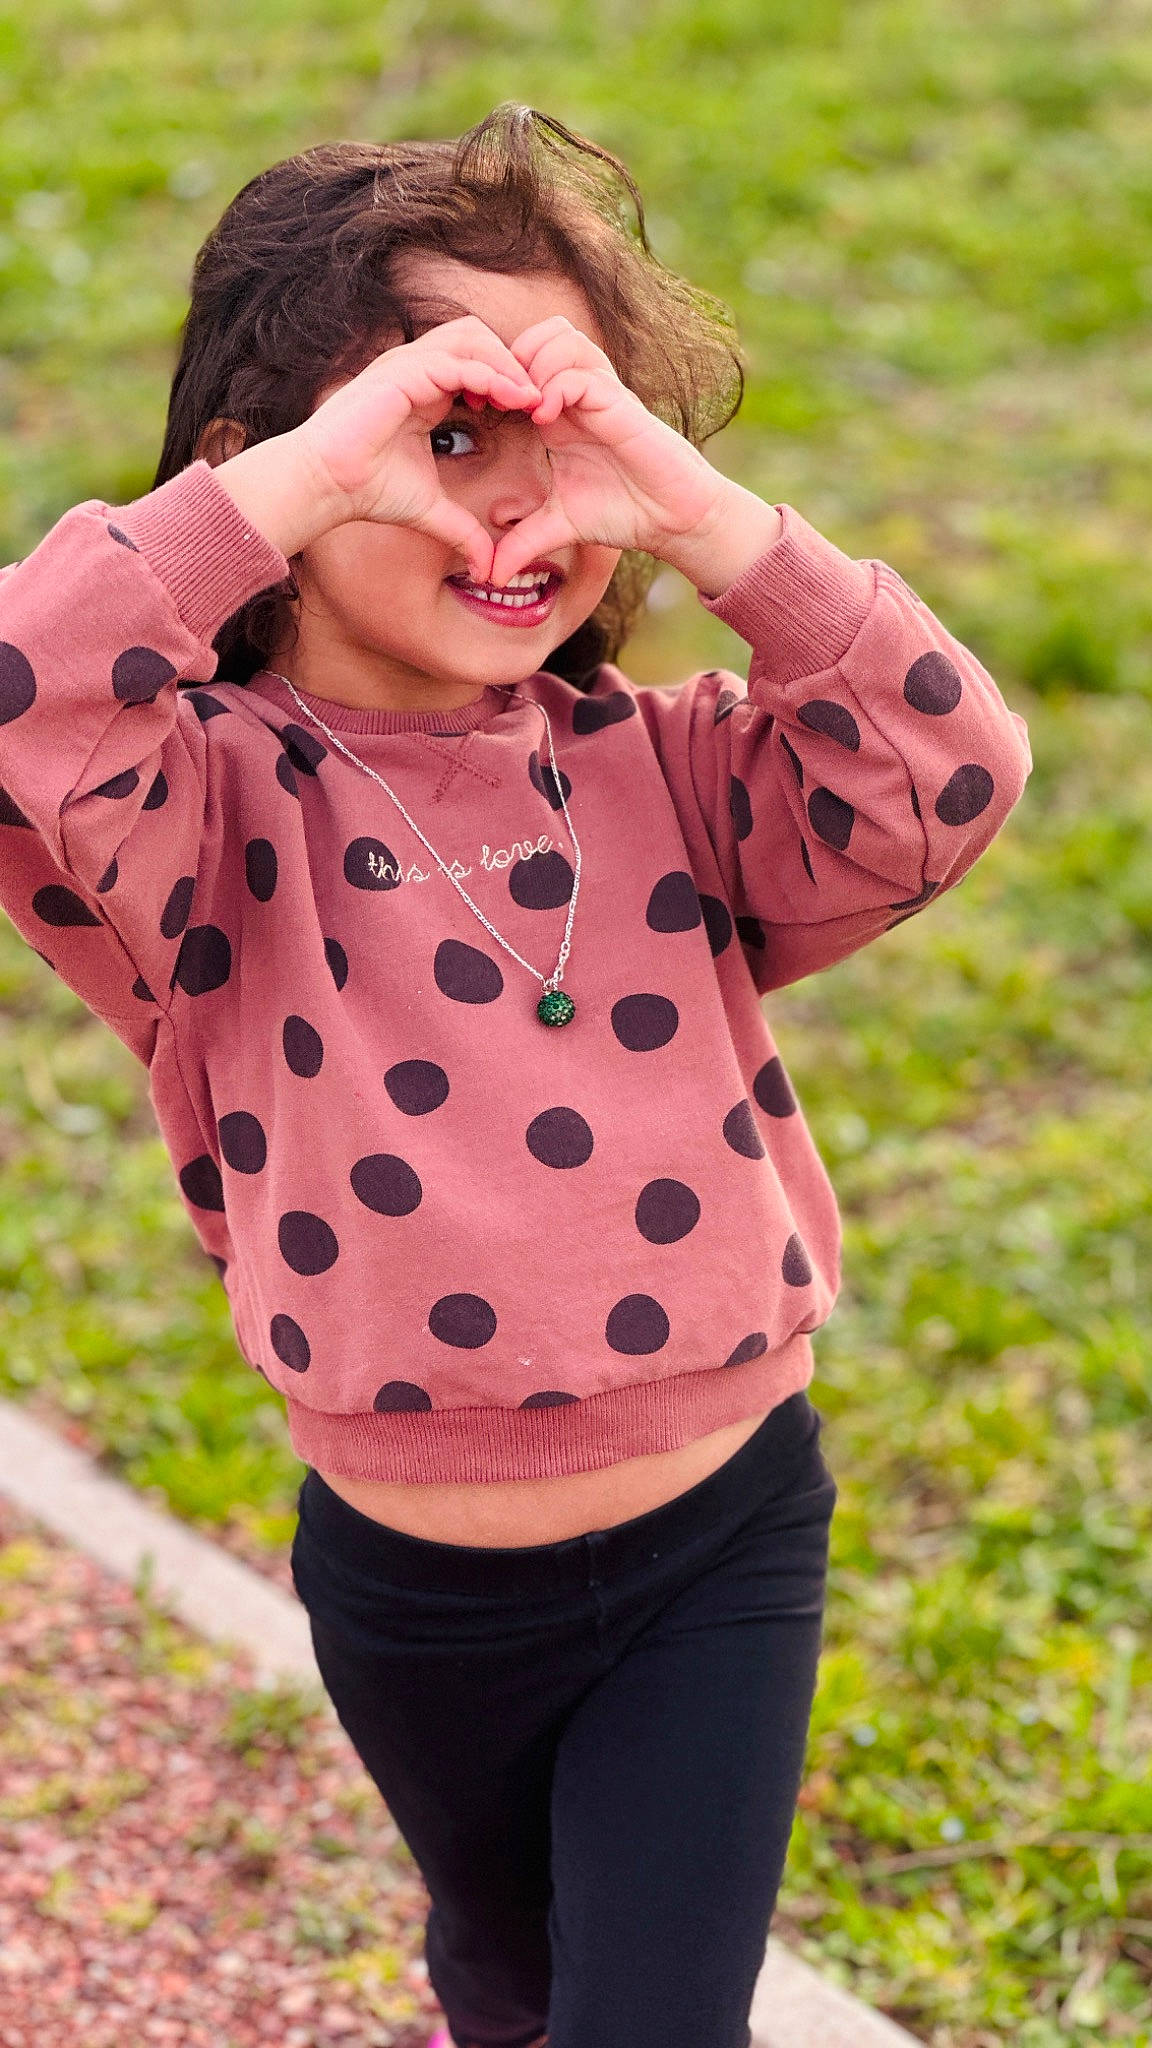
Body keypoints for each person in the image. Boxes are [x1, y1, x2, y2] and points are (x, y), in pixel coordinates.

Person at [0, 101, 1031, 2048]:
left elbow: (945, 768)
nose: (516, 505)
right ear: (278, 471)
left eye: (566, 438)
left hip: (722, 1535)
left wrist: (694, 504)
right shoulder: (203, 813)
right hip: (413, 1588)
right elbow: (23, 695)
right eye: (444, 434)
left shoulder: (673, 772)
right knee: (506, 1971)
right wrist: (298, 478)